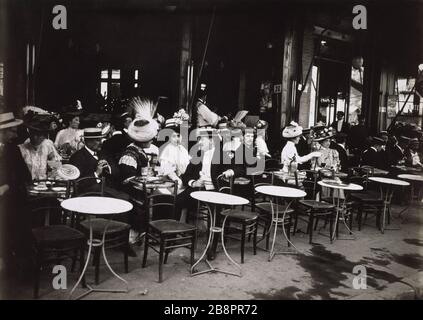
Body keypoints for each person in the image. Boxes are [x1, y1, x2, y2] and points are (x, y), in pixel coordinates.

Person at [0, 112, 32, 279]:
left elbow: (25, 176)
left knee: (17, 226)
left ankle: (14, 265)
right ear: (2, 131)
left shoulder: (13, 150)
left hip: (11, 199)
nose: (16, 134)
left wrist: (6, 186)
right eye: (12, 131)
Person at [19, 114, 62, 180]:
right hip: (27, 184)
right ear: (29, 132)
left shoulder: (47, 144)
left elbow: (55, 163)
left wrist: (52, 173)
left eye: (39, 135)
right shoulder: (22, 148)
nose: (35, 137)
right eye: (32, 133)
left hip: (43, 184)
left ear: (44, 135)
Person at [159, 123, 191, 188]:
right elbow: (169, 171)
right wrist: (179, 181)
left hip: (184, 179)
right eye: (174, 136)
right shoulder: (168, 149)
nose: (177, 139)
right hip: (173, 182)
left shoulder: (182, 148)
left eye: (178, 136)